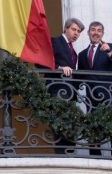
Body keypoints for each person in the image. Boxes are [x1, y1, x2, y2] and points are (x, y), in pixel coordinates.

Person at [38, 17, 84, 154]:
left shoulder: (72, 50)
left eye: (79, 31)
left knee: (69, 127)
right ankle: (62, 156)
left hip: (69, 94)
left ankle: (68, 155)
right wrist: (59, 67)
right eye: (74, 29)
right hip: (56, 91)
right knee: (59, 126)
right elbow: (40, 62)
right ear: (66, 28)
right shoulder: (55, 41)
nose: (76, 33)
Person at [77, 21, 112, 156]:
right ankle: (96, 160)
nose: (96, 33)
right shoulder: (82, 54)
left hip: (110, 95)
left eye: (99, 30)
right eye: (93, 30)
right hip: (92, 98)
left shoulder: (110, 46)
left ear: (102, 33)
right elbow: (80, 77)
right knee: (93, 131)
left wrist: (109, 51)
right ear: (88, 33)